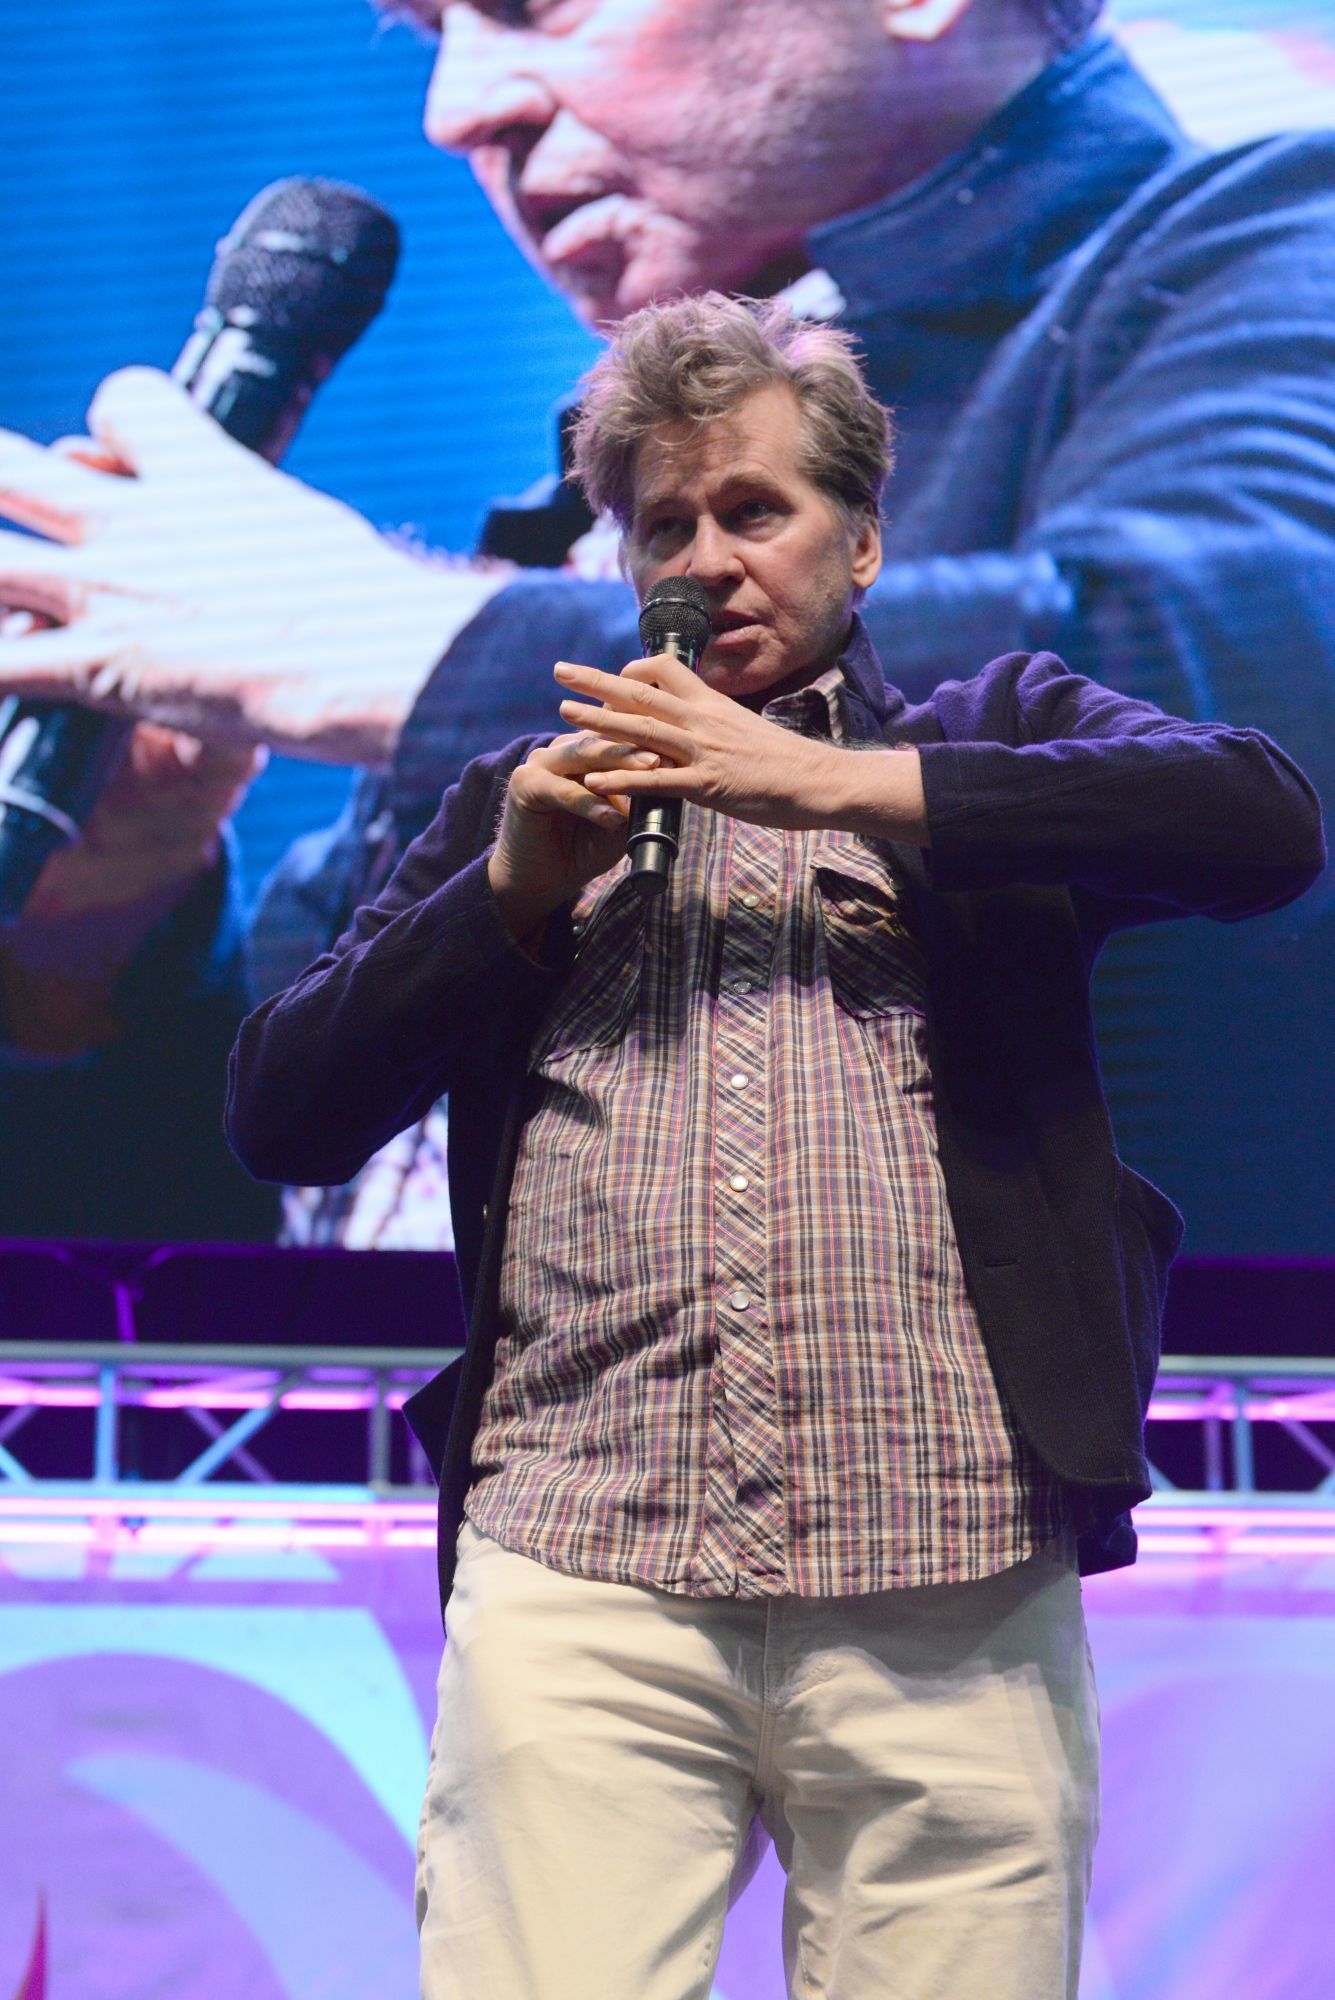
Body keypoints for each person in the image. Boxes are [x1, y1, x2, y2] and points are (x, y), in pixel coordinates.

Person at [225, 295, 1323, 1997]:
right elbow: (281, 1111)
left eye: (755, 510)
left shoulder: (982, 728)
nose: (708, 560)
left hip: (950, 1563)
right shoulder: (521, 803)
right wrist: (506, 896)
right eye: (666, 526)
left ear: (863, 543)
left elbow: (1262, 823)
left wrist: (848, 787)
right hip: (587, 1565)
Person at [4, 0, 1335, 1247]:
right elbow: (289, 1216)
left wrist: (400, 647)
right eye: (432, 29)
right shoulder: (601, 498)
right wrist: (102, 952)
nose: (455, 110)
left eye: (531, 6)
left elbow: (1260, 688)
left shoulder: (1276, 246)